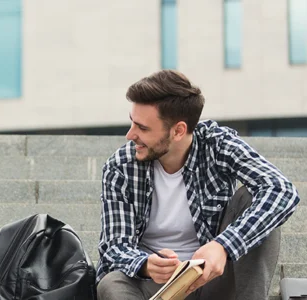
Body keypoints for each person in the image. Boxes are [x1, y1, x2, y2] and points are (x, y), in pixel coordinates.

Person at [95, 70, 301, 300]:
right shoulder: (121, 166)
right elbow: (113, 247)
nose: (130, 135)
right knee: (111, 283)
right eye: (132, 122)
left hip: (213, 278)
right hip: (155, 287)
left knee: (257, 202)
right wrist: (145, 264)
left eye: (143, 128)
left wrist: (223, 246)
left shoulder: (216, 144)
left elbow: (281, 190)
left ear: (178, 131)